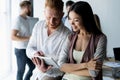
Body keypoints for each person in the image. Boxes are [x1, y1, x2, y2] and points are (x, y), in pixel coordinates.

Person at [58, 1, 107, 80]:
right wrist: (86, 65)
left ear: (85, 19)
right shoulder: (70, 38)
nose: (71, 23)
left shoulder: (100, 39)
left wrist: (69, 69)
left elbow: (94, 72)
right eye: (70, 19)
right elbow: (60, 65)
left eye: (76, 20)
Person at [26, 0, 71, 80]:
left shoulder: (67, 35)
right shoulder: (38, 25)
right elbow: (29, 48)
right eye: (48, 17)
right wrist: (34, 54)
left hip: (53, 75)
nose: (51, 22)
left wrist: (47, 70)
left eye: (55, 18)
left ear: (62, 15)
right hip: (36, 73)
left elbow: (63, 67)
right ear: (44, 13)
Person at [11, 1, 35, 80]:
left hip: (27, 49)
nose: (30, 9)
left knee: (33, 67)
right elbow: (13, 37)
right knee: (21, 71)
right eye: (29, 8)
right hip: (20, 50)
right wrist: (29, 38)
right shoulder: (18, 20)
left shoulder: (27, 19)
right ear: (25, 8)